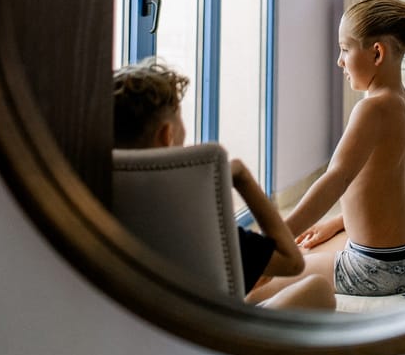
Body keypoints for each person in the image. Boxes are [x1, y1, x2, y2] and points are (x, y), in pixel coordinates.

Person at [112, 58, 335, 310]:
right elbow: (292, 261)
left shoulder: (96, 200)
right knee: (317, 289)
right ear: (167, 134)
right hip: (204, 340)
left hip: (131, 336)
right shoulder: (194, 217)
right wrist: (243, 179)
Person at [253, 0, 405, 301]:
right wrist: (338, 223)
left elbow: (334, 180)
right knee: (312, 244)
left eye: (345, 49)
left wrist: (276, 241)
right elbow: (397, 186)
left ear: (377, 53)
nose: (339, 61)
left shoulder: (372, 109)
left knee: (258, 287)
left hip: (379, 270)